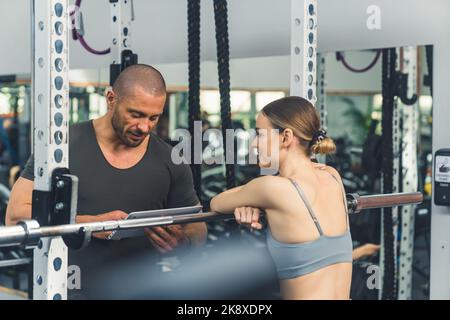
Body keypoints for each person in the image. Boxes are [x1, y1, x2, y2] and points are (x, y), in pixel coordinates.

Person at [5, 64, 207, 299]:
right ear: (111, 99)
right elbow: (15, 216)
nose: (144, 127)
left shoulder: (171, 160)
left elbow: (197, 228)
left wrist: (183, 242)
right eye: (136, 114)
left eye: (153, 117)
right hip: (68, 290)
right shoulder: (61, 148)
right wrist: (91, 225)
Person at [210, 96, 353, 300]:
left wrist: (254, 199)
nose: (253, 144)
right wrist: (256, 200)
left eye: (259, 134)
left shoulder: (271, 189)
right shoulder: (332, 175)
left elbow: (217, 202)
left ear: (285, 137)